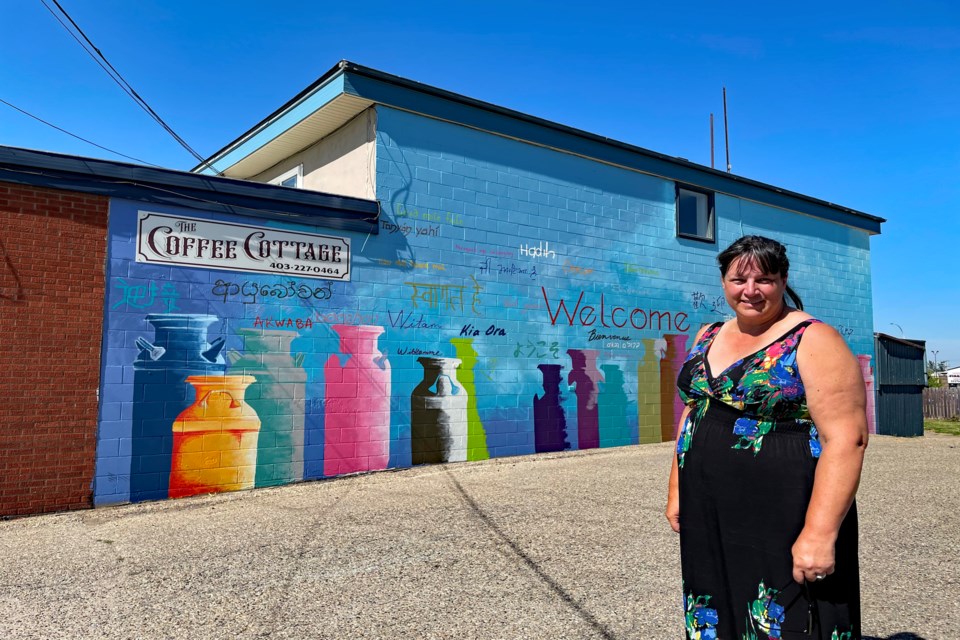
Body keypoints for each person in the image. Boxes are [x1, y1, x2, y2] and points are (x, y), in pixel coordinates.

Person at [666, 235, 868, 640]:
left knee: (787, 614)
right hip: (709, 506)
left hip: (784, 508)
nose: (751, 291)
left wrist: (820, 533)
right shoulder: (708, 333)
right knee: (718, 599)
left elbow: (847, 439)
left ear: (783, 280)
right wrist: (676, 488)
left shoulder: (813, 338)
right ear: (723, 281)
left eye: (765, 280)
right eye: (739, 280)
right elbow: (694, 409)